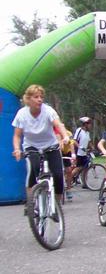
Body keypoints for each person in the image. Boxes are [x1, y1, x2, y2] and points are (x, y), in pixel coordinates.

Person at [12, 84, 70, 213]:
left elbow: (58, 124)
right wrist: (17, 149)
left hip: (51, 145)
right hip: (31, 147)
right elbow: (17, 135)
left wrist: (65, 136)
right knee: (33, 169)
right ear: (28, 99)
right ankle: (30, 202)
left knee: (58, 175)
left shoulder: (48, 110)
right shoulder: (22, 114)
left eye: (41, 97)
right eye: (36, 97)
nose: (39, 99)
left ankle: (56, 206)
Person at [70, 116, 93, 189]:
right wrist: (80, 147)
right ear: (85, 124)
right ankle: (68, 179)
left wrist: (92, 147)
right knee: (78, 168)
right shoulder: (79, 130)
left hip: (84, 153)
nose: (90, 125)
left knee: (85, 168)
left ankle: (84, 183)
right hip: (79, 152)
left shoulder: (87, 133)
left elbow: (89, 141)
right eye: (89, 124)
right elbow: (74, 140)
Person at [57, 129, 77, 201]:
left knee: (68, 170)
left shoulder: (68, 133)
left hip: (66, 152)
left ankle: (69, 189)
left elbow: (71, 144)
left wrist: (73, 154)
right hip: (57, 152)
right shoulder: (55, 133)